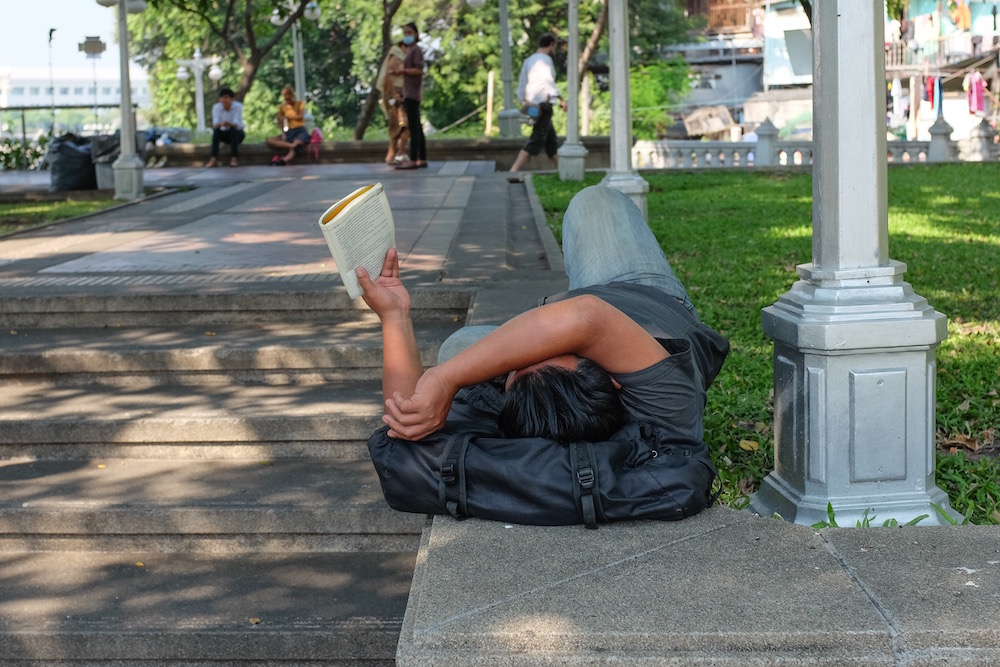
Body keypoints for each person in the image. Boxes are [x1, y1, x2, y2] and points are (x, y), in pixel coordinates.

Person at [357, 185, 729, 451]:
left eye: (518, 364)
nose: (529, 354)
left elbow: (405, 419)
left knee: (458, 346)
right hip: (642, 295)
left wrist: (394, 315)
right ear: (615, 379)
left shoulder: (517, 404)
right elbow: (585, 318)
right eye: (557, 349)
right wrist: (446, 377)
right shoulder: (667, 407)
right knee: (595, 202)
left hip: (574, 325)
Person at [509, 33, 565, 177]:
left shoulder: (529, 60)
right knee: (537, 138)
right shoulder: (545, 60)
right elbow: (548, 82)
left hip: (532, 104)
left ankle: (564, 173)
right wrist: (561, 98)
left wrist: (523, 100)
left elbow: (522, 83)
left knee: (550, 141)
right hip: (544, 105)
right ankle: (513, 171)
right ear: (551, 45)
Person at [389, 22, 427, 170]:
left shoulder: (416, 50)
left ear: (416, 34)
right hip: (410, 92)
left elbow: (419, 70)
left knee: (413, 127)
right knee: (417, 127)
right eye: (405, 33)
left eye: (409, 33)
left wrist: (402, 71)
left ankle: (413, 159)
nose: (407, 36)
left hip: (412, 93)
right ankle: (421, 158)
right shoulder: (411, 50)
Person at [376, 39, 410, 165]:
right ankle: (399, 153)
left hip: (403, 94)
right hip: (396, 97)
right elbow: (388, 76)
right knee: (403, 125)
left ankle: (394, 155)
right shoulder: (395, 56)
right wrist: (395, 94)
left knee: (399, 127)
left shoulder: (404, 58)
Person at [265, 84, 310, 166]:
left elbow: (300, 116)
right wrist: (283, 133)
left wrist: (287, 117)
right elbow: (280, 121)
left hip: (300, 130)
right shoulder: (282, 106)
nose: (288, 101)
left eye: (289, 98)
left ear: (292, 96)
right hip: (289, 131)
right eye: (286, 98)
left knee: (297, 143)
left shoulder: (300, 103)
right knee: (269, 140)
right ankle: (292, 146)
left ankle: (284, 160)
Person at [206, 87, 244, 168]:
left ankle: (234, 158)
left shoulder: (238, 106)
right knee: (216, 131)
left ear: (232, 99)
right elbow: (215, 122)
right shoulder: (216, 107)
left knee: (233, 130)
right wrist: (222, 124)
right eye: (222, 98)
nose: (224, 100)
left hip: (237, 133)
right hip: (224, 132)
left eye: (227, 98)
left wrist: (230, 124)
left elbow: (236, 122)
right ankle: (213, 158)